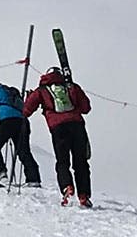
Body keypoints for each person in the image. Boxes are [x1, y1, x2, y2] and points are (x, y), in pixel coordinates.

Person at [26, 66, 93, 207]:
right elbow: (86, 108)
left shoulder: (42, 90)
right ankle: (84, 195)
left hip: (58, 127)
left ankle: (66, 187)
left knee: (62, 161)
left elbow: (27, 110)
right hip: (77, 125)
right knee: (80, 162)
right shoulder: (71, 86)